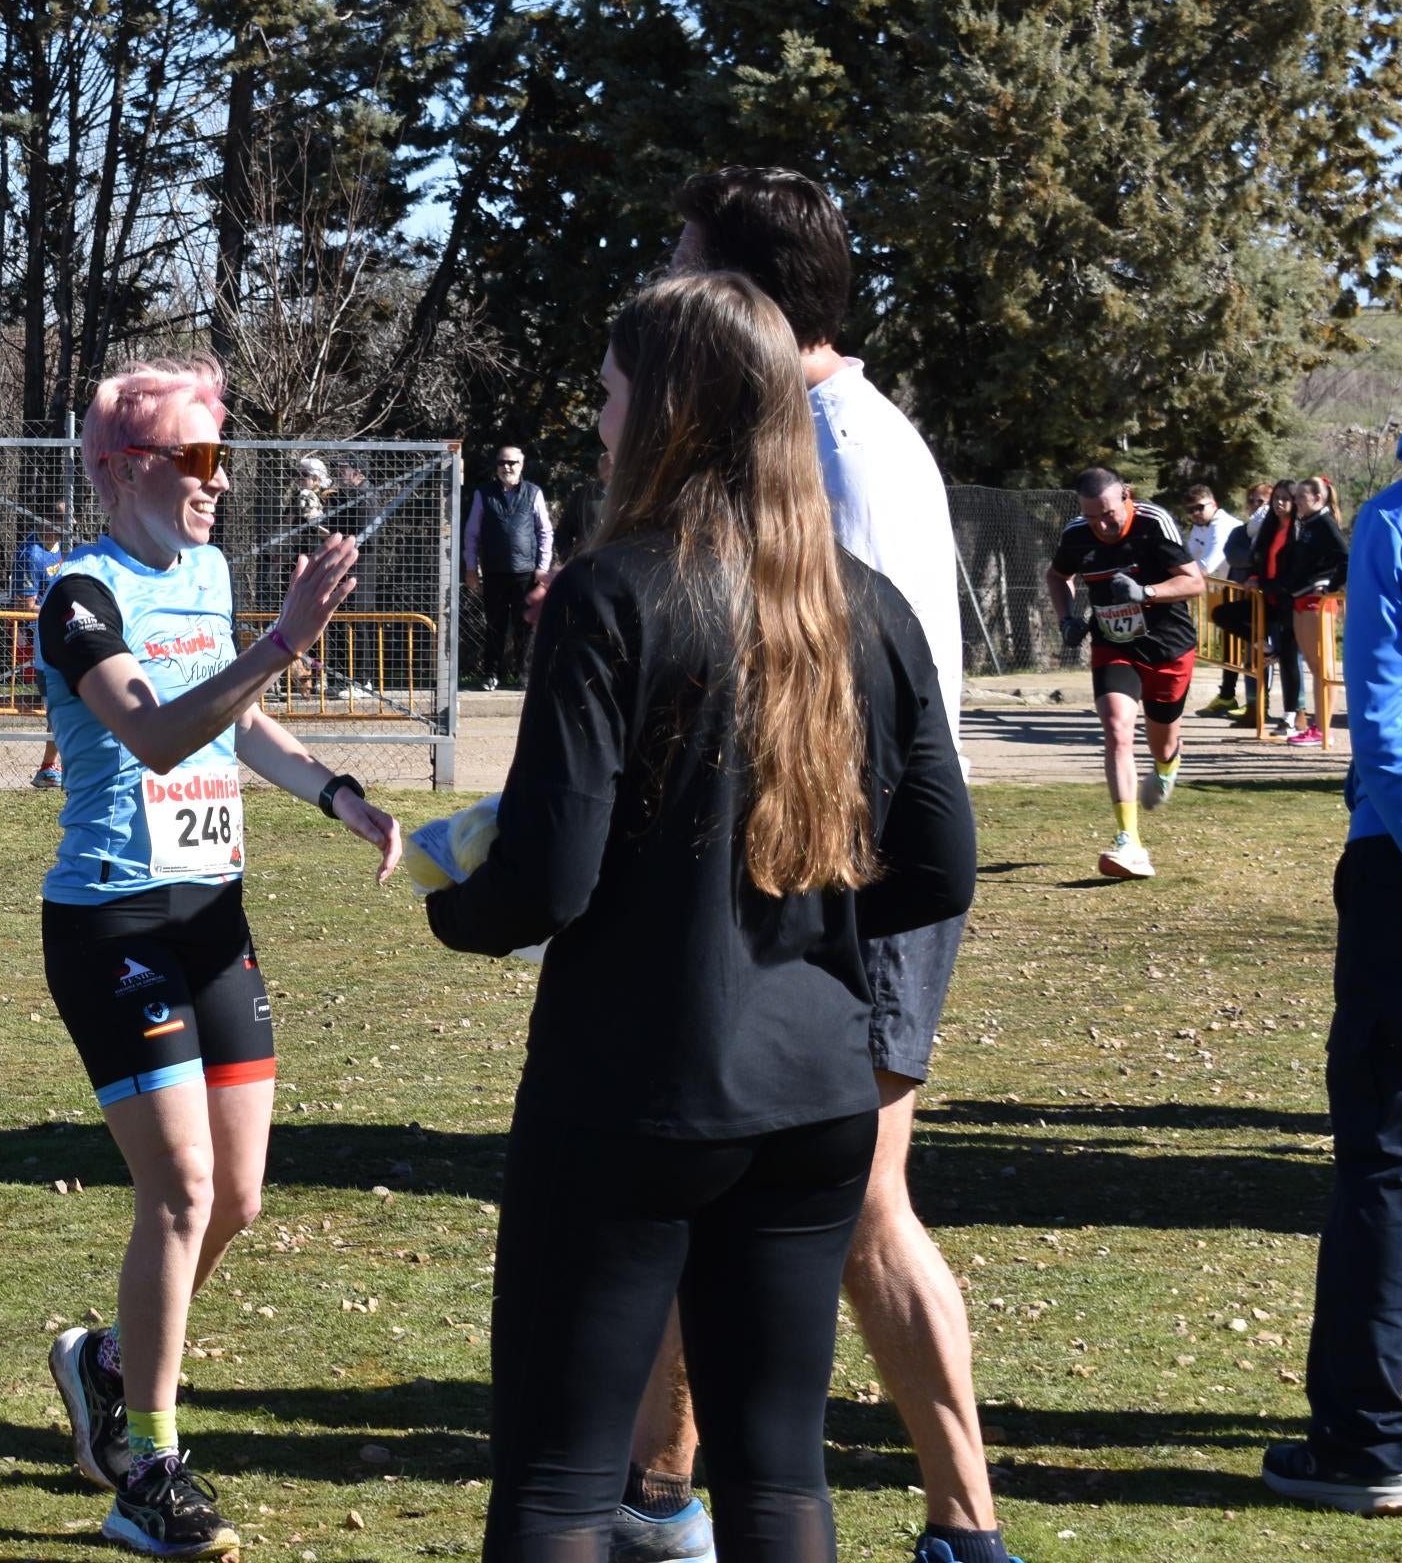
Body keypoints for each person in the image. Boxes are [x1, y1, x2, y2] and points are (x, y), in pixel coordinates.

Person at [425, 271, 975, 1559]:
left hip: (637, 1088)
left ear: (668, 409)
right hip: (817, 1093)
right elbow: (939, 865)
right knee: (779, 1472)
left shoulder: (609, 593)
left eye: (612, 398)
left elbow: (547, 879)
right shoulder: (869, 603)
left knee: (561, 1477)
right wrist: (790, 903)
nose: (600, 426)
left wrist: (460, 905)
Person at [649, 164, 997, 1563]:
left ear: (743, 290)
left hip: (843, 891)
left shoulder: (834, 450)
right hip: (816, 886)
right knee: (715, 1182)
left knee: (852, 1210)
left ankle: (964, 1526)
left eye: (683, 264)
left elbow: (834, 697)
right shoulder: (808, 429)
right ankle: (658, 1499)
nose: (664, 291)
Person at [34, 357, 402, 1560]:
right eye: (197, 458)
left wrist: (334, 791)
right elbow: (150, 728)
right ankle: (148, 1462)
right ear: (126, 467)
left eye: (221, 457)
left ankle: (102, 1362)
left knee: (234, 1195)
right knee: (181, 1189)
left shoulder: (208, 570)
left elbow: (234, 718)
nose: (219, 480)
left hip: (214, 919)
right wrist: (286, 638)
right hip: (114, 929)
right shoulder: (78, 591)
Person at [1271, 281, 1402, 1515]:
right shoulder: (1395, 517)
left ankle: (1365, 1437)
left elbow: (1381, 730)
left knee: (1388, 1159)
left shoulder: (1401, 521)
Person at [1046, 468, 1207, 880]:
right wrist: (1066, 619)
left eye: (1108, 514)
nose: (1100, 525)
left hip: (1169, 648)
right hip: (1113, 645)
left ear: (1127, 497)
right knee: (1117, 730)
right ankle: (1129, 840)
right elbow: (1057, 576)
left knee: (1162, 740)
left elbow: (1195, 583)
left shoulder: (1155, 523)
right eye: (1091, 515)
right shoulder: (1076, 534)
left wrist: (1147, 593)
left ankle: (1168, 766)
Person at [1270, 477, 1352, 747]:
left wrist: (1329, 586)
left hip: (1318, 602)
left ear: (1319, 498)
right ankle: (1317, 728)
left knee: (1322, 668)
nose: (1296, 503)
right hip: (1299, 597)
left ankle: (1321, 729)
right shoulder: (1304, 523)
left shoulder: (1325, 523)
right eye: (1296, 498)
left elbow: (1345, 557)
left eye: (1301, 498)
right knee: (1313, 668)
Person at [469, 444, 553, 690]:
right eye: (502, 462)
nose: (507, 467)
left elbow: (545, 532)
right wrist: (471, 567)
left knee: (525, 626)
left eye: (512, 463)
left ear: (521, 465)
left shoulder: (533, 493)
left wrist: (543, 567)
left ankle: (524, 675)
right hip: (494, 571)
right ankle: (490, 674)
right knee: (494, 624)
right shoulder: (483, 494)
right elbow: (472, 533)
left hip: (526, 572)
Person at [17, 523, 72, 788]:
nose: (71, 527)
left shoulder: (67, 548)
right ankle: (50, 767)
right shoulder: (31, 555)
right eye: (65, 521)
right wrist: (60, 611)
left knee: (63, 703)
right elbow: (27, 605)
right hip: (46, 641)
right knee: (56, 704)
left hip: (70, 636)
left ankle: (55, 766)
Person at [1204, 487, 1263, 719]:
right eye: (1253, 501)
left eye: (1263, 501)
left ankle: (1264, 707)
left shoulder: (1278, 532)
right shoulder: (1239, 532)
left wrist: (1255, 562)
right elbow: (1233, 556)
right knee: (1239, 649)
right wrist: (1255, 557)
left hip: (1269, 602)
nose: (1258, 505)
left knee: (1261, 654)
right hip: (1239, 598)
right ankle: (1238, 700)